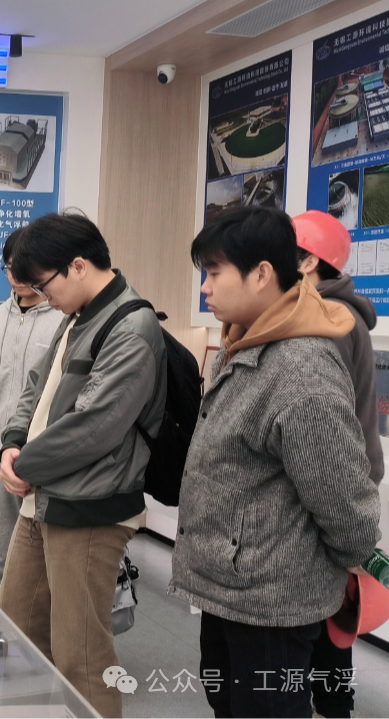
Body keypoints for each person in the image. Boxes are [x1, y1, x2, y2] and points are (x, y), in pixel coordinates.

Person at [170, 207, 381, 719]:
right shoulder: (245, 342)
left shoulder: (301, 371)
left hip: (272, 602)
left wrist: (337, 563)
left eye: (214, 272)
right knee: (227, 701)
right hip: (232, 589)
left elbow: (345, 506)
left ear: (262, 273)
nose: (205, 288)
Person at [0, 212, 166, 719]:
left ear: (77, 266)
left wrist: (25, 464)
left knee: (82, 656)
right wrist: (12, 443)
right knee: (18, 630)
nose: (41, 296)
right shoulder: (78, 315)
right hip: (46, 496)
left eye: (43, 284)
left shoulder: (131, 327)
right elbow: (37, 387)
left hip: (89, 507)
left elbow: (95, 427)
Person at [292, 210, 384, 719]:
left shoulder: (327, 320)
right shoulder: (335, 315)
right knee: (330, 620)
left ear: (309, 262)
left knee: (325, 622)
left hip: (331, 486)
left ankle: (332, 708)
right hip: (346, 480)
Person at [0, 229, 63, 595]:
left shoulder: (61, 317)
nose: (18, 276)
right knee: (0, 556)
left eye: (26, 267)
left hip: (39, 460)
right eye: (10, 268)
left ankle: (33, 627)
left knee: (38, 561)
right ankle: (3, 623)